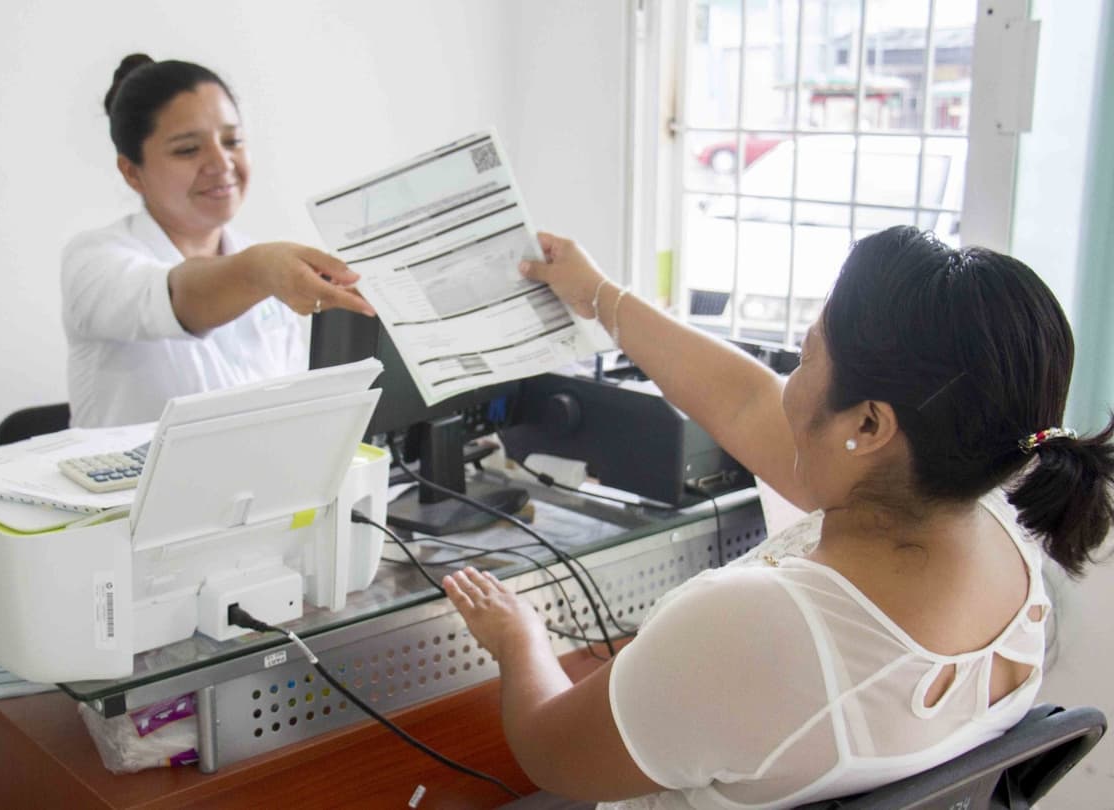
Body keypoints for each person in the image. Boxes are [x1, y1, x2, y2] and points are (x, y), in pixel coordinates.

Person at [443, 226, 1114, 808]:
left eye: (809, 353)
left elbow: (549, 751)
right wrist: (599, 296)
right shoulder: (999, 524)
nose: (792, 375)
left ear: (869, 424)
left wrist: (518, 635)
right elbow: (746, 404)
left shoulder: (754, 630)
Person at [62, 54, 374, 428]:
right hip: (127, 488)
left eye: (232, 141)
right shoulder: (95, 260)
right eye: (188, 149)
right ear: (132, 172)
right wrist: (261, 272)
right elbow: (175, 297)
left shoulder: (263, 261)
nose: (221, 163)